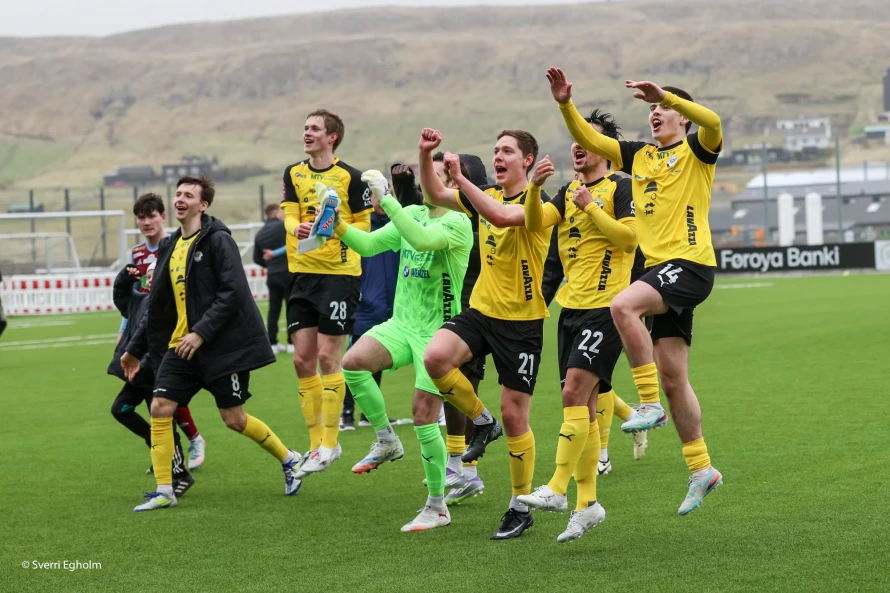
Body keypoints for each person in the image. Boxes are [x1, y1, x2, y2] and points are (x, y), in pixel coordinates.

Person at [548, 67, 723, 515]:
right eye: (652, 109)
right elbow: (590, 139)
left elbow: (714, 121)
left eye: (664, 108)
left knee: (622, 304)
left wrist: (669, 95)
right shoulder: (639, 155)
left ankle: (647, 405)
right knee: (673, 377)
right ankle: (701, 467)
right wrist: (565, 104)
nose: (656, 113)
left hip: (690, 264)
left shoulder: (698, 148)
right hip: (661, 271)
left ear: (682, 117)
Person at [120, 176, 301, 512]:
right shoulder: (171, 246)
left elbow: (233, 292)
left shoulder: (219, 241)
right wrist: (134, 349)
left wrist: (201, 332)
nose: (180, 199)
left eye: (188, 195)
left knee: (234, 419)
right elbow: (157, 307)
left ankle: (290, 459)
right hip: (180, 347)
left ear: (203, 205)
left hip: (220, 349)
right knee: (160, 407)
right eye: (178, 194)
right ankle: (165, 489)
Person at [420, 128, 552, 540]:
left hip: (522, 323)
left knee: (516, 417)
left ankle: (520, 506)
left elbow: (501, 217)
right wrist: (425, 154)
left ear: (527, 160)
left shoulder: (542, 204)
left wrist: (461, 179)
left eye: (507, 151)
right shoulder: (486, 194)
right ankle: (482, 420)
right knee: (436, 357)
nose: (498, 156)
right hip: (481, 312)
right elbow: (432, 193)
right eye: (495, 150)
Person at [517, 110, 636, 542]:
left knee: (572, 393)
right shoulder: (567, 191)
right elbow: (535, 224)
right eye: (575, 139)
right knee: (581, 408)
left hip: (608, 307)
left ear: (605, 149)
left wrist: (592, 208)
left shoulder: (621, 186)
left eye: (588, 139)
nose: (578, 146)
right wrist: (534, 188)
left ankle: (557, 487)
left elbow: (629, 239)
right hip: (571, 310)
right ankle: (588, 504)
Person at [337, 168, 473, 531]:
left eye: (436, 175)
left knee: (424, 416)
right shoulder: (411, 213)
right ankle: (386, 440)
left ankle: (437, 506)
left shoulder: (459, 221)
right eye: (425, 174)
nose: (427, 181)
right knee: (353, 362)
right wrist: (338, 225)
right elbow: (369, 246)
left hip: (439, 334)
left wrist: (387, 199)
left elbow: (423, 240)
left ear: (453, 185)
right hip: (402, 324)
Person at [281, 109, 372, 476]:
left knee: (327, 357)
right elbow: (289, 215)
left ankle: (331, 443)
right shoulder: (293, 173)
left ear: (332, 137)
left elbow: (365, 226)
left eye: (315, 129)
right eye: (305, 127)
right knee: (302, 361)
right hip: (301, 274)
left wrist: (336, 226)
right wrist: (297, 229)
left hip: (339, 275)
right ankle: (316, 443)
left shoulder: (351, 177)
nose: (307, 133)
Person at [124, 194, 206, 470]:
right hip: (146, 330)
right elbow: (136, 296)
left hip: (173, 329)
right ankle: (169, 453)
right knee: (154, 391)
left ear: (162, 217)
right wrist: (125, 330)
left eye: (152, 216)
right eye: (141, 217)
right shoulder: (137, 253)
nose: (147, 222)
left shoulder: (174, 244)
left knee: (166, 388)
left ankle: (192, 440)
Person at [108, 261, 194, 497]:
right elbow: (120, 295)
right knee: (120, 410)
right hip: (139, 376)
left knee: (163, 424)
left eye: (154, 275)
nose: (150, 280)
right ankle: (153, 441)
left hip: (157, 374)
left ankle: (180, 474)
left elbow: (160, 344)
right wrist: (125, 276)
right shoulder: (138, 301)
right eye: (148, 276)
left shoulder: (170, 306)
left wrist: (143, 365)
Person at [340, 190, 399, 431]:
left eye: (386, 196)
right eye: (377, 197)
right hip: (365, 306)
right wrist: (358, 296)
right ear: (368, 199)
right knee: (353, 360)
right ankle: (346, 413)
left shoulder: (399, 225)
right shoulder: (363, 226)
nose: (382, 201)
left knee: (378, 360)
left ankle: (368, 414)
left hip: (390, 305)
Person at [253, 203, 294, 355]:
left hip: (272, 275)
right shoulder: (284, 226)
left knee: (273, 310)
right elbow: (293, 244)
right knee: (291, 308)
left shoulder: (260, 234)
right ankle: (291, 343)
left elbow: (257, 258)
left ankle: (273, 343)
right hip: (288, 273)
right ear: (276, 213)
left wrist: (270, 265)